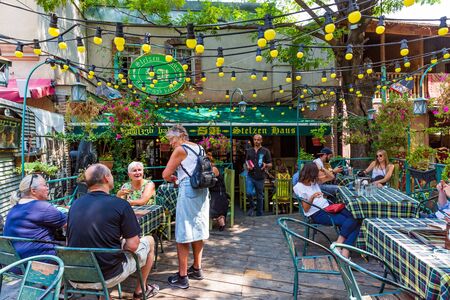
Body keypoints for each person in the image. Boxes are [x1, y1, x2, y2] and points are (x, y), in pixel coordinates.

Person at [67, 164, 159, 299]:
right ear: (106, 178)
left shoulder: (75, 204)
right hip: (108, 275)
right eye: (111, 174)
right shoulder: (121, 204)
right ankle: (141, 290)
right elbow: (133, 246)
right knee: (149, 240)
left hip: (75, 275)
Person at [162, 125, 209, 289]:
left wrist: (175, 179)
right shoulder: (200, 148)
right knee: (198, 227)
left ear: (179, 136)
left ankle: (182, 277)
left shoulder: (180, 149)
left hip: (189, 189)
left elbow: (166, 175)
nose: (170, 143)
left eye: (171, 139)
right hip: (202, 189)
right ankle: (197, 268)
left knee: (183, 231)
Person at [293, 163, 360, 258]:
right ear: (311, 173)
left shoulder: (313, 182)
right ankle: (345, 251)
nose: (318, 174)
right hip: (318, 213)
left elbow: (331, 177)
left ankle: (339, 243)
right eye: (317, 172)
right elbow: (306, 209)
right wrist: (312, 197)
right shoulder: (299, 187)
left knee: (356, 215)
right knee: (354, 222)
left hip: (329, 208)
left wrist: (322, 168)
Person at [4, 174, 67, 259]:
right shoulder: (42, 207)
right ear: (33, 191)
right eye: (45, 185)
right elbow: (71, 224)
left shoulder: (13, 209)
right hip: (38, 266)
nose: (47, 188)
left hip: (15, 265)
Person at [245, 134, 272, 216]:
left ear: (261, 140)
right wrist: (248, 166)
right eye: (255, 140)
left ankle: (259, 213)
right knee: (249, 192)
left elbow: (270, 164)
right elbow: (246, 161)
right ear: (253, 140)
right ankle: (252, 206)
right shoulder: (249, 151)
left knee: (259, 196)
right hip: (250, 176)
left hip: (260, 177)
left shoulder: (265, 151)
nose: (256, 141)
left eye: (258, 140)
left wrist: (266, 165)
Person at [206, 150, 229, 231]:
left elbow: (209, 182)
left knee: (213, 202)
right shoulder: (208, 169)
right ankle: (219, 218)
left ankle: (220, 219)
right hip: (213, 191)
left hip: (219, 192)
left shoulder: (213, 169)